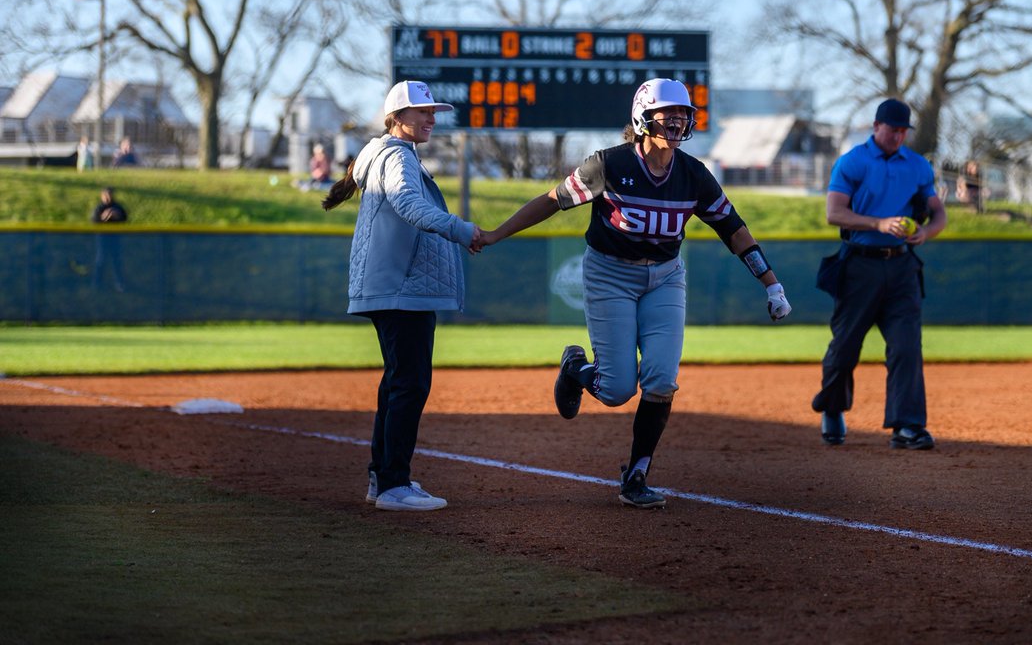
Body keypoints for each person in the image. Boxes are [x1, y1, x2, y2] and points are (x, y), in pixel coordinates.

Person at [476, 78, 791, 509]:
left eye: (684, 113)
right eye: (669, 112)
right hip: (610, 276)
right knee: (616, 390)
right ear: (643, 119)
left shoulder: (694, 174)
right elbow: (552, 199)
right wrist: (497, 233)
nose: (679, 119)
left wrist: (770, 282)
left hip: (665, 277)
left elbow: (732, 228)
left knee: (662, 378)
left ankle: (637, 473)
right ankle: (574, 369)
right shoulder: (608, 165)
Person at [321, 80, 481, 512]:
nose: (431, 118)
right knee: (409, 384)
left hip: (392, 286)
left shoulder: (385, 154)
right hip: (401, 287)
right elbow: (408, 204)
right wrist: (461, 229)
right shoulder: (396, 155)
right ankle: (393, 483)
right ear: (396, 118)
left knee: (397, 383)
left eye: (432, 112)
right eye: (421, 112)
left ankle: (383, 477)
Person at [812, 98, 947, 450]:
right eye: (893, 130)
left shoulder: (917, 166)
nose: (898, 137)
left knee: (906, 346)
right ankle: (832, 407)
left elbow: (938, 214)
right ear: (876, 127)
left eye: (904, 131)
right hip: (860, 265)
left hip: (902, 266)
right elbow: (835, 213)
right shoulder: (852, 162)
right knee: (844, 347)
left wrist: (925, 233)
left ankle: (907, 425)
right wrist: (878, 223)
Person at [90, 187, 128, 292]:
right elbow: (94, 221)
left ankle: (119, 283)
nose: (107, 197)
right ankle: (96, 283)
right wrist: (103, 217)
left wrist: (117, 216)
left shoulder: (117, 207)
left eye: (109, 195)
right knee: (101, 260)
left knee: (117, 261)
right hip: (102, 238)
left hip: (115, 238)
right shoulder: (99, 208)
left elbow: (124, 218)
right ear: (101, 196)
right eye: (105, 195)